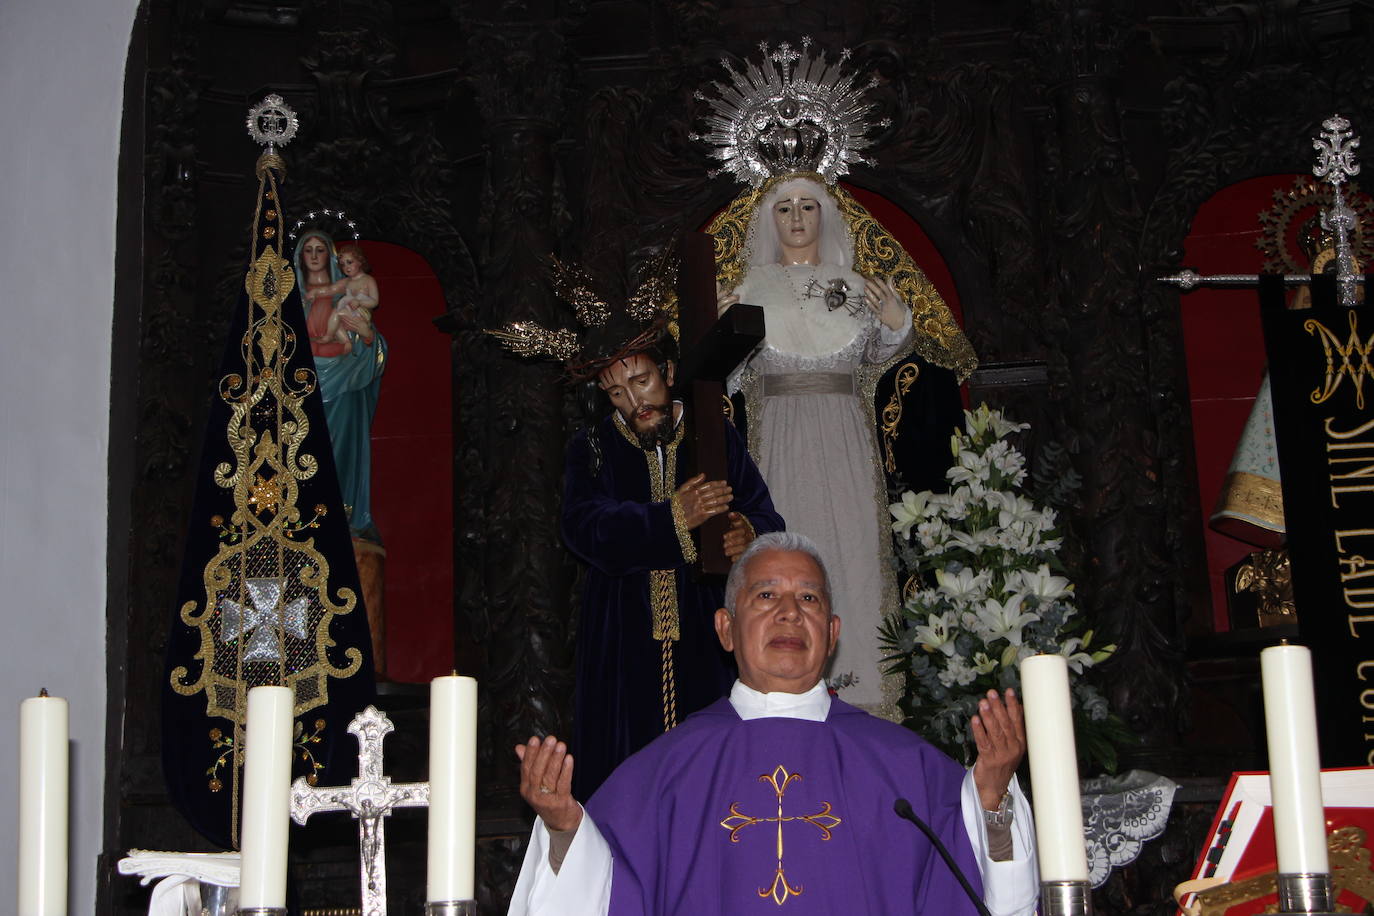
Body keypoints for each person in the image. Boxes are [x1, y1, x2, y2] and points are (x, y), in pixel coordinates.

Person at [508, 531, 1038, 915]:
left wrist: (993, 800)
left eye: (808, 597)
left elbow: (985, 889)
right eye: (766, 595)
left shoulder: (904, 766)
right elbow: (604, 887)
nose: (789, 612)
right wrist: (563, 829)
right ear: (725, 628)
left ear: (831, 633)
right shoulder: (665, 773)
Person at [715, 174, 966, 715]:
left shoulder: (855, 287)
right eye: (785, 208)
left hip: (847, 446)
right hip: (779, 443)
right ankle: (781, 694)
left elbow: (884, 354)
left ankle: (863, 703)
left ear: (825, 214)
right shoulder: (749, 289)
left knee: (852, 557)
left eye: (808, 206)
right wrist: (720, 330)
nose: (798, 218)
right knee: (785, 554)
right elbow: (725, 378)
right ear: (770, 220)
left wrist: (900, 323)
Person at [561, 316, 785, 798]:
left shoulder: (713, 432)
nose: (635, 402)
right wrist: (671, 519)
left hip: (706, 624)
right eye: (617, 393)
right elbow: (583, 527)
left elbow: (766, 517)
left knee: (715, 775)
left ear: (666, 370)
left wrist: (747, 532)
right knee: (625, 779)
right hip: (621, 633)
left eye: (641, 381)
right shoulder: (594, 447)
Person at [294, 230, 388, 544]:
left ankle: (345, 516)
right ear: (299, 256)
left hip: (344, 387)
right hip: (303, 390)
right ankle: (303, 516)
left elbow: (376, 348)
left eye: (322, 249)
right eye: (309, 250)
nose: (315, 256)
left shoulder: (347, 297)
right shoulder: (291, 299)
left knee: (342, 452)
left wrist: (366, 334)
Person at [313, 242, 381, 348]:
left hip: (362, 312)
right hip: (348, 310)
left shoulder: (368, 280)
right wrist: (315, 292)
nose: (346, 267)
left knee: (339, 314)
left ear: (360, 261)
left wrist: (359, 302)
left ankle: (330, 336)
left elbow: (374, 302)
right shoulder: (347, 281)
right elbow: (331, 289)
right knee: (334, 317)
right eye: (343, 264)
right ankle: (344, 341)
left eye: (349, 262)